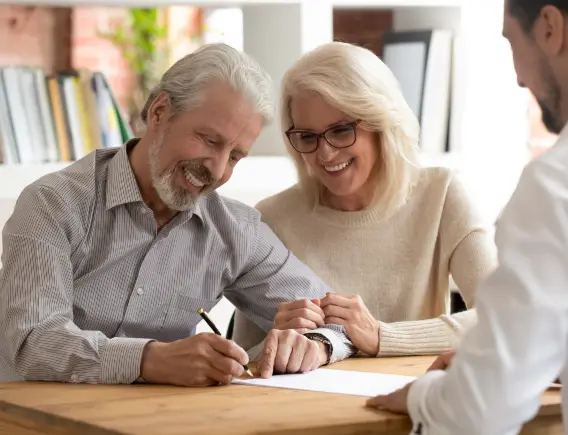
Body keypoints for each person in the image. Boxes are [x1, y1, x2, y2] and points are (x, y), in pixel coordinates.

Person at [0, 43, 357, 387]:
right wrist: (151, 360)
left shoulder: (236, 230)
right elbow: (32, 341)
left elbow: (337, 321)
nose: (217, 171)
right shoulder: (52, 205)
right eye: (210, 140)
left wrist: (316, 343)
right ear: (159, 112)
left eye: (235, 156)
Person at [366, 1, 568, 433]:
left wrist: (425, 393)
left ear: (550, 29)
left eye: (512, 42)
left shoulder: (554, 188)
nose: (517, 77)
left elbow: (479, 413)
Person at [232, 41, 497, 358]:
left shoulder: (442, 194)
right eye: (308, 137)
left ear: (381, 123)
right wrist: (276, 339)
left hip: (412, 399)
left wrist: (382, 336)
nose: (325, 153)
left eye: (341, 130)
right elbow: (242, 361)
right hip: (308, 405)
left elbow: (503, 316)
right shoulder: (272, 218)